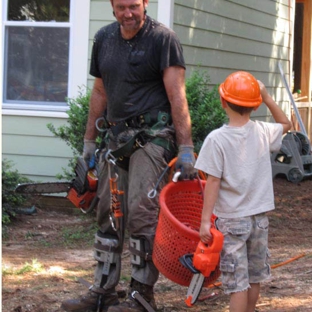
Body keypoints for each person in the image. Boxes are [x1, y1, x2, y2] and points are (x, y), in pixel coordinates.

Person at [61, 0, 196, 311]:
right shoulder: (104, 39)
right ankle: (103, 291)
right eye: (122, 7)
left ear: (146, 3)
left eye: (134, 6)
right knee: (107, 212)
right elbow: (100, 92)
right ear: (112, 6)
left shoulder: (162, 39)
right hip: (115, 138)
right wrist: (89, 142)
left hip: (152, 137)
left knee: (141, 213)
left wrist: (186, 148)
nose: (128, 13)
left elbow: (177, 95)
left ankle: (141, 296)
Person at [195, 71, 292, 312]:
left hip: (231, 221)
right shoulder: (262, 132)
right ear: (255, 104)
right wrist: (268, 97)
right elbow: (287, 124)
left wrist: (205, 221)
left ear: (222, 101)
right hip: (259, 220)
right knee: (254, 278)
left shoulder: (216, 139)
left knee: (238, 283)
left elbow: (213, 183)